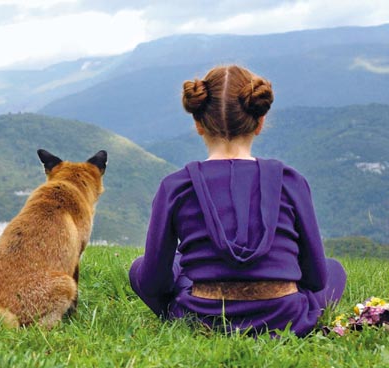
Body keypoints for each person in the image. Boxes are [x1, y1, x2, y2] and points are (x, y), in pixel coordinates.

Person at [129, 65, 346, 337]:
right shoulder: (291, 181)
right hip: (286, 317)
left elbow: (153, 282)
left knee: (141, 267)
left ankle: (189, 316)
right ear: (260, 122)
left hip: (201, 315)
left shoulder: (175, 186)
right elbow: (316, 277)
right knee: (334, 268)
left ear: (198, 123)